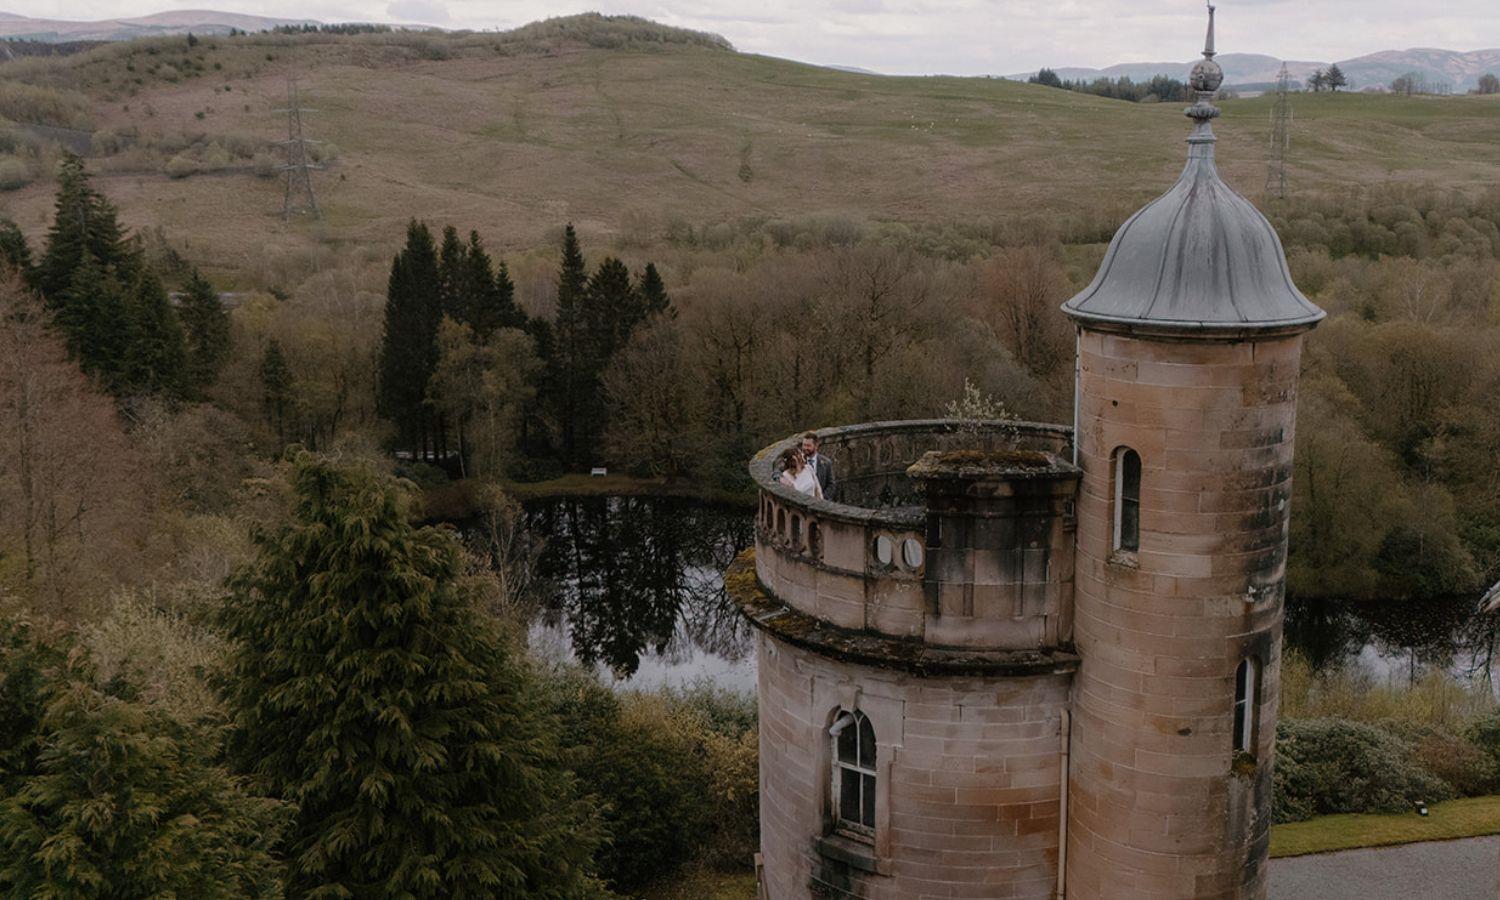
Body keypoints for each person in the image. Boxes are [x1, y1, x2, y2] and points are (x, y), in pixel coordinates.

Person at [801, 432, 835, 500]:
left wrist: (822, 498)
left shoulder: (826, 462)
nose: (805, 448)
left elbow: (831, 484)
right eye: (804, 445)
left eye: (808, 446)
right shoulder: (798, 461)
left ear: (816, 446)